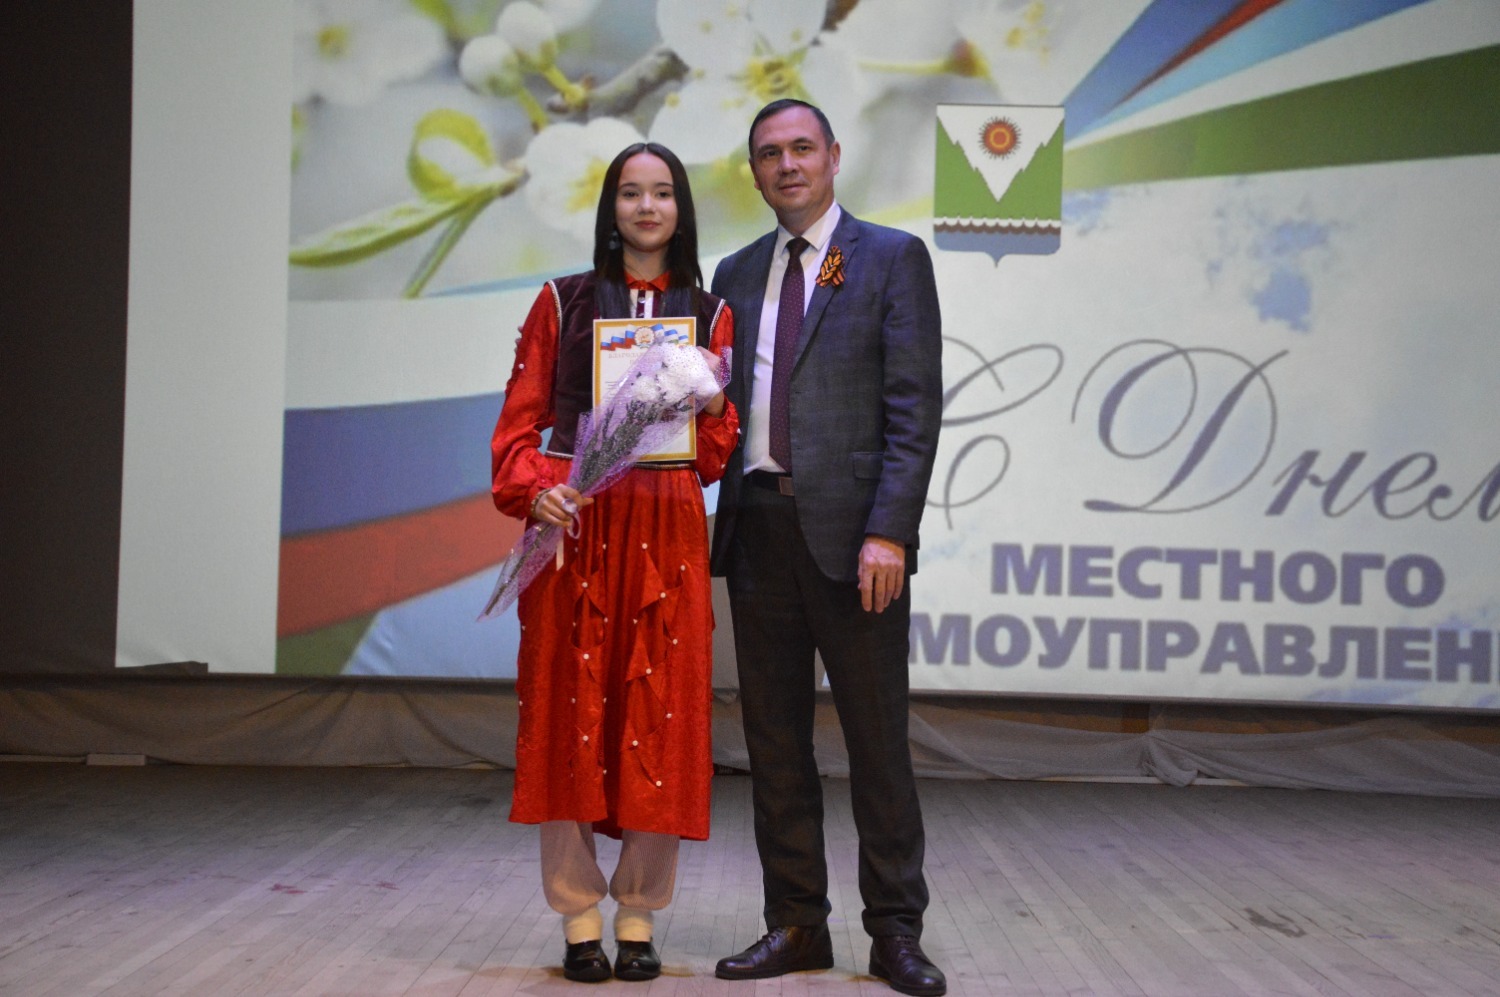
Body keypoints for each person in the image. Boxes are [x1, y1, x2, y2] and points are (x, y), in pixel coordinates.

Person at [708, 99, 946, 996]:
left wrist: (890, 530)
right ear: (755, 172)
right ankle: (797, 922)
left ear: (835, 156)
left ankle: (896, 931)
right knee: (774, 746)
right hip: (759, 531)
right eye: (770, 153)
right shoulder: (734, 273)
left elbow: (913, 410)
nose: (788, 164)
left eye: (802, 147)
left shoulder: (890, 258)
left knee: (877, 745)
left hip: (858, 543)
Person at [489, 142, 737, 983]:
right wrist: (538, 492)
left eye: (662, 192)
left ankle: (638, 916)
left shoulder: (711, 312)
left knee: (661, 718)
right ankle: (578, 919)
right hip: (578, 522)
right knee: (568, 713)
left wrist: (713, 399)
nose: (647, 207)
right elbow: (516, 432)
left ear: (682, 208)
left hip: (667, 526)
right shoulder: (560, 302)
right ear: (610, 207)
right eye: (631, 193)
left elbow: (713, 453)